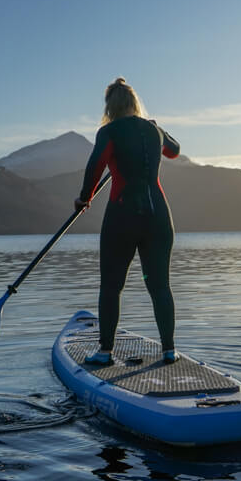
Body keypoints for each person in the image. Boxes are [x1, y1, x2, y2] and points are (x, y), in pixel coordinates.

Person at [75, 77, 181, 365]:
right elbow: (174, 149)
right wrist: (157, 128)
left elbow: (95, 165)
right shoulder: (153, 130)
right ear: (135, 104)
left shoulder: (108, 132)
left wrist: (84, 198)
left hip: (122, 216)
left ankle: (105, 352)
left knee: (111, 286)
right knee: (160, 286)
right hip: (158, 217)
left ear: (110, 106)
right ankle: (169, 350)